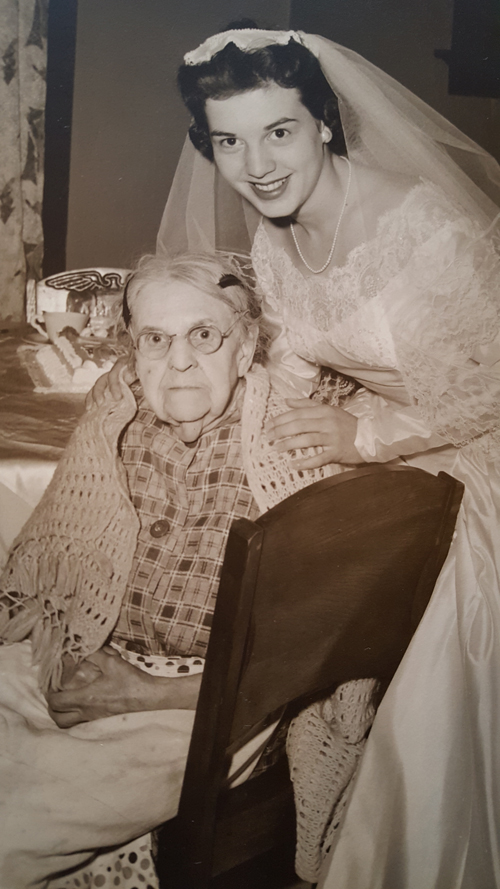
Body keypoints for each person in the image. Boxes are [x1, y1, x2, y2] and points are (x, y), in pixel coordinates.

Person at [152, 24, 500, 888]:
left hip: (476, 449)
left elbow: (487, 386)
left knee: (441, 644)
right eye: (228, 141)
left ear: (323, 123)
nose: (257, 164)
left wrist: (364, 437)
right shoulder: (275, 239)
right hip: (387, 447)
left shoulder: (419, 224)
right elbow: (297, 356)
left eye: (280, 131)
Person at [0, 251, 359, 889]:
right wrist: (76, 654)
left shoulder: (294, 451)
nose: (180, 361)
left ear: (246, 345)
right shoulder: (115, 422)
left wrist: (143, 691)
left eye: (204, 335)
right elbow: (54, 571)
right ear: (131, 351)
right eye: (156, 340)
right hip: (96, 654)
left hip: (212, 704)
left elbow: (316, 658)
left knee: (18, 824)